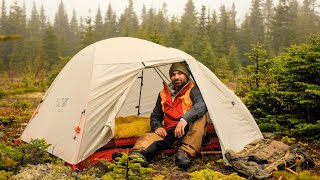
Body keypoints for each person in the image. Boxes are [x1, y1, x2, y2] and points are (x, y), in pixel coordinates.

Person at [129, 62, 208, 169]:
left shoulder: (193, 89)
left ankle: (185, 153)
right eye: (173, 74)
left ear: (186, 74)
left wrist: (184, 120)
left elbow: (201, 105)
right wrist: (157, 127)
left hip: (188, 131)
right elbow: (156, 115)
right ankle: (138, 155)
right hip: (169, 132)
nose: (176, 77)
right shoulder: (164, 93)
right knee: (147, 137)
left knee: (201, 116)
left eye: (180, 73)